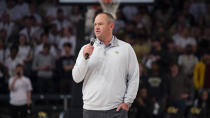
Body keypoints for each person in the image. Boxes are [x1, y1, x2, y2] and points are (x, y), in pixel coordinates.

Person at [72, 12, 139, 118]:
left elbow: (134, 78)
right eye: (95, 24)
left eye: (100, 24)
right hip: (91, 109)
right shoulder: (86, 49)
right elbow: (76, 78)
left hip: (116, 110)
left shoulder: (126, 48)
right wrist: (85, 59)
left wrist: (128, 102)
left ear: (111, 26)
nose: (97, 27)